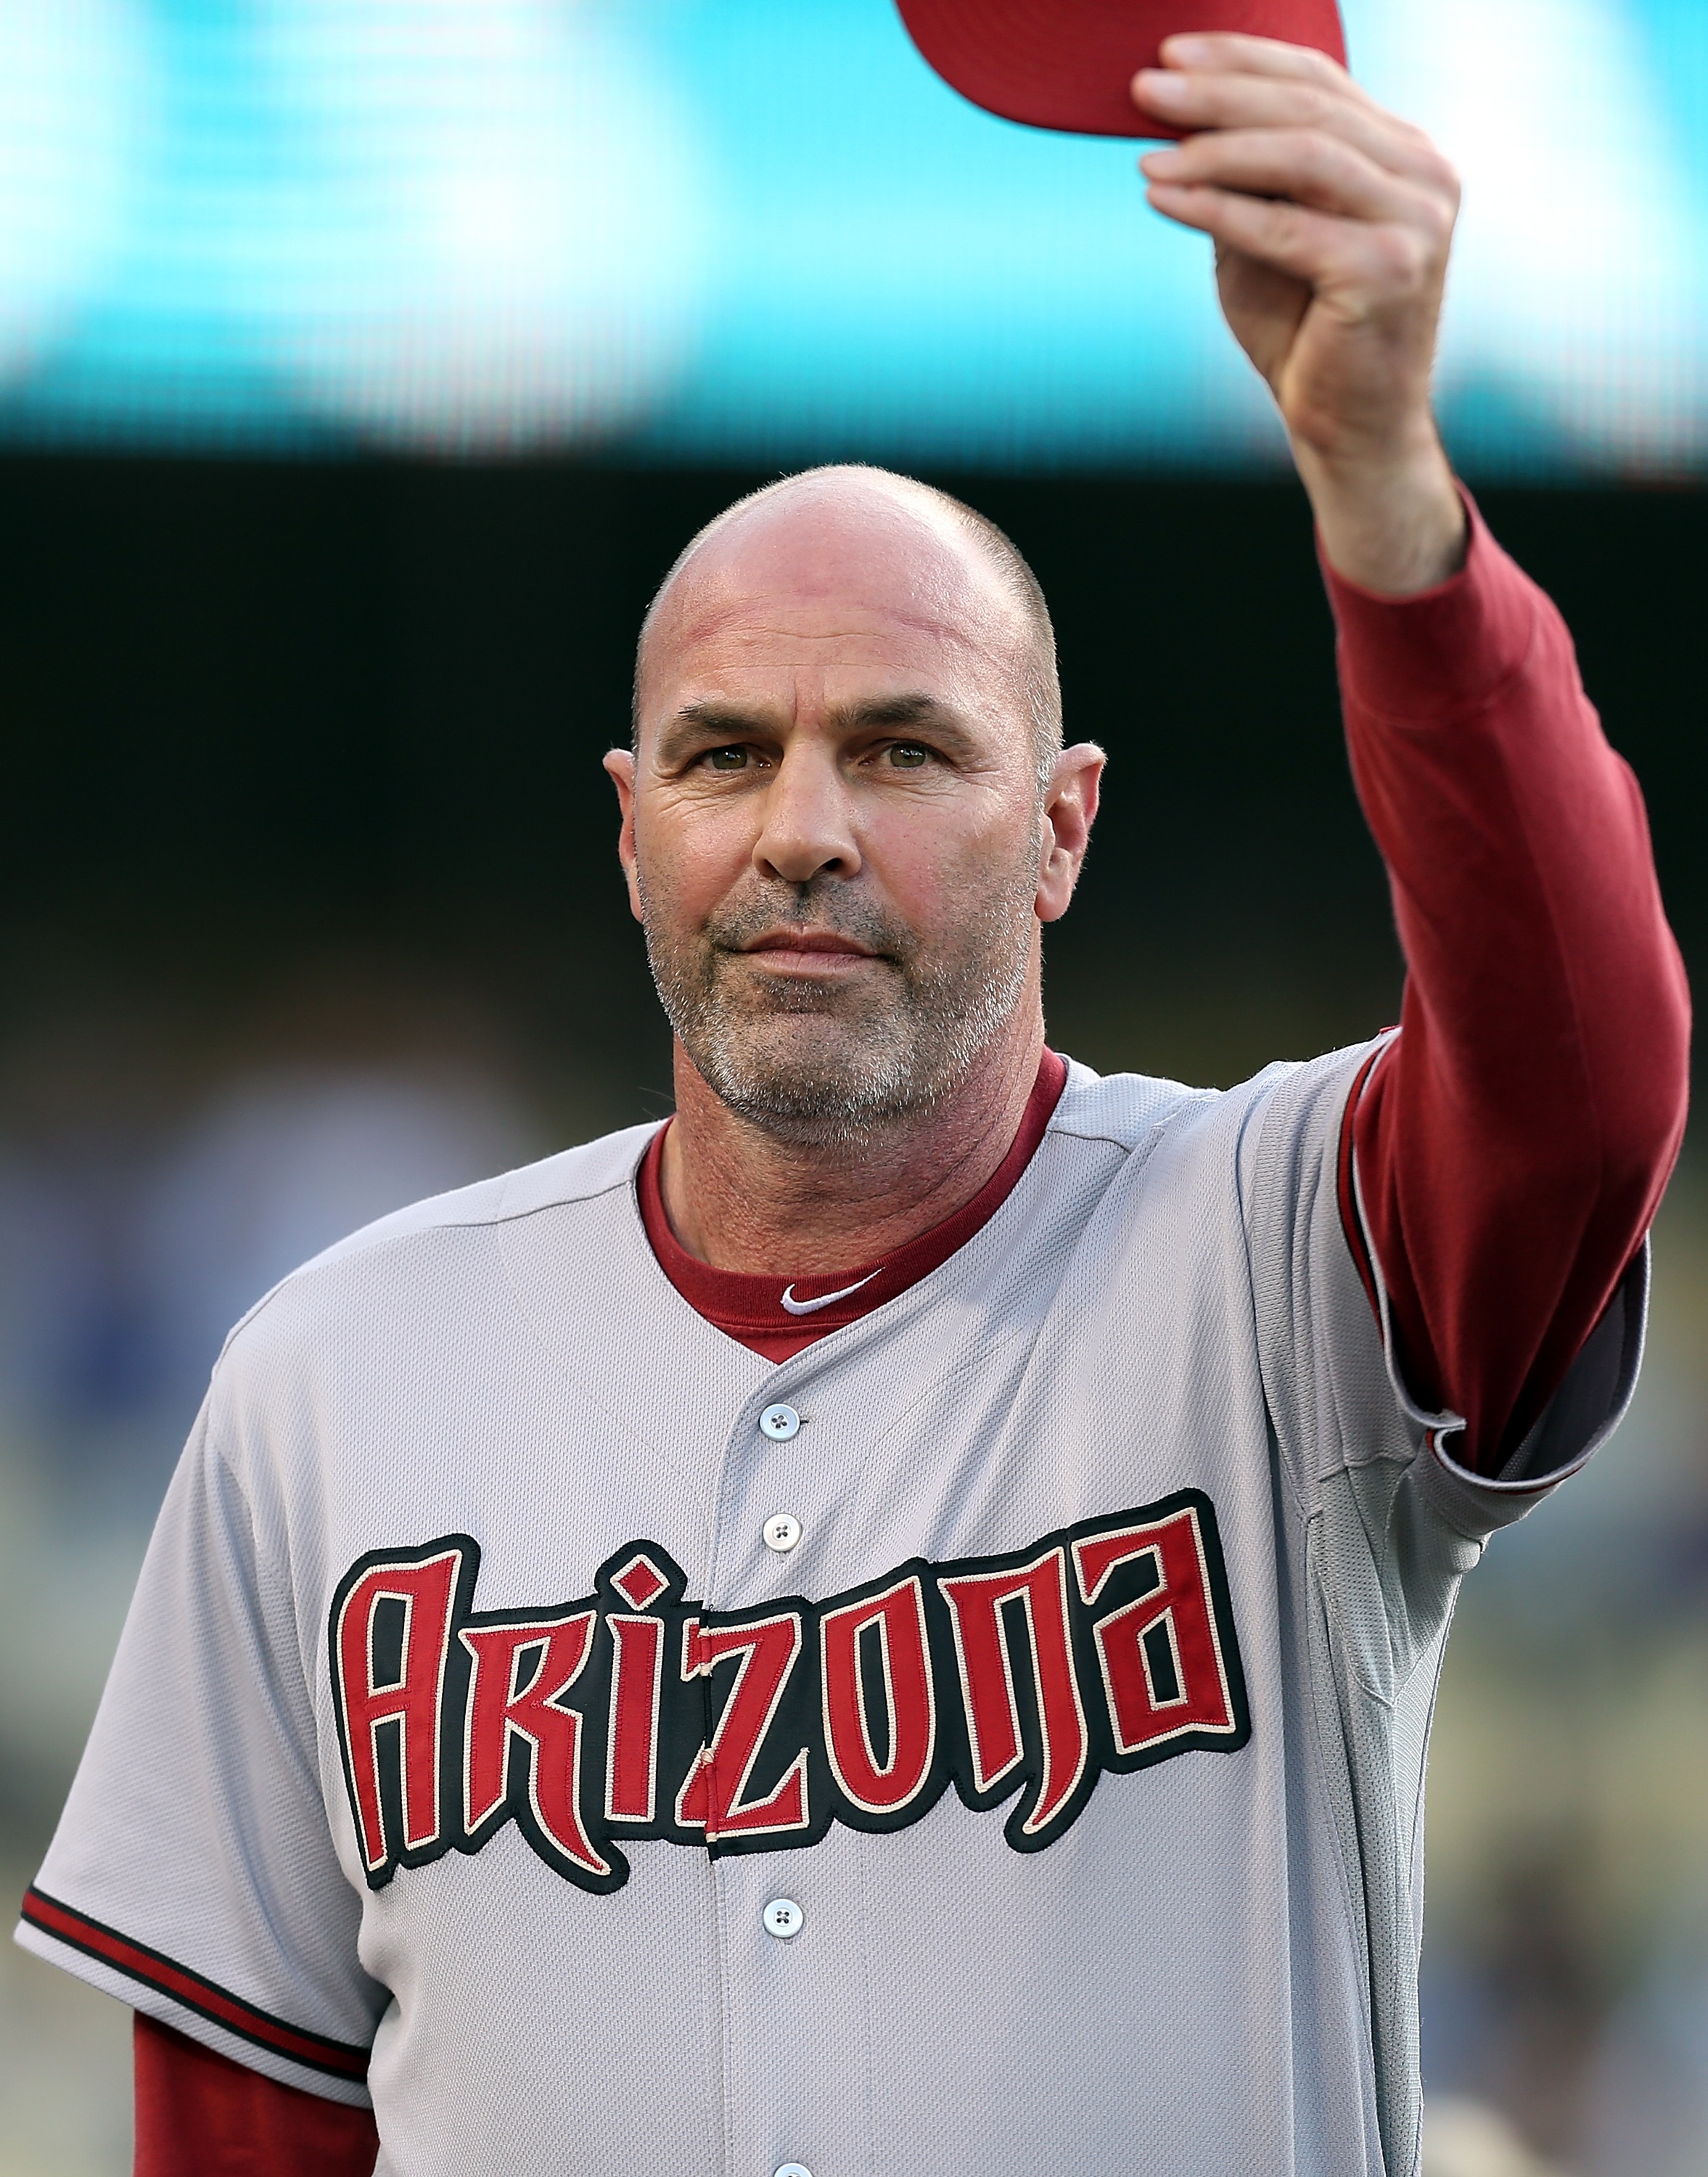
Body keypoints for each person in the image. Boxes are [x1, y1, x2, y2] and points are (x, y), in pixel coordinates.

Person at [16, 34, 1688, 2177]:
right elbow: (242, 2121)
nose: (799, 829)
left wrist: (1384, 501)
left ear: (1063, 826)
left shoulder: (1284, 1257)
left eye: (903, 749)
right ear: (628, 834)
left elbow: (1578, 1083)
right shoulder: (330, 1378)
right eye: (722, 758)